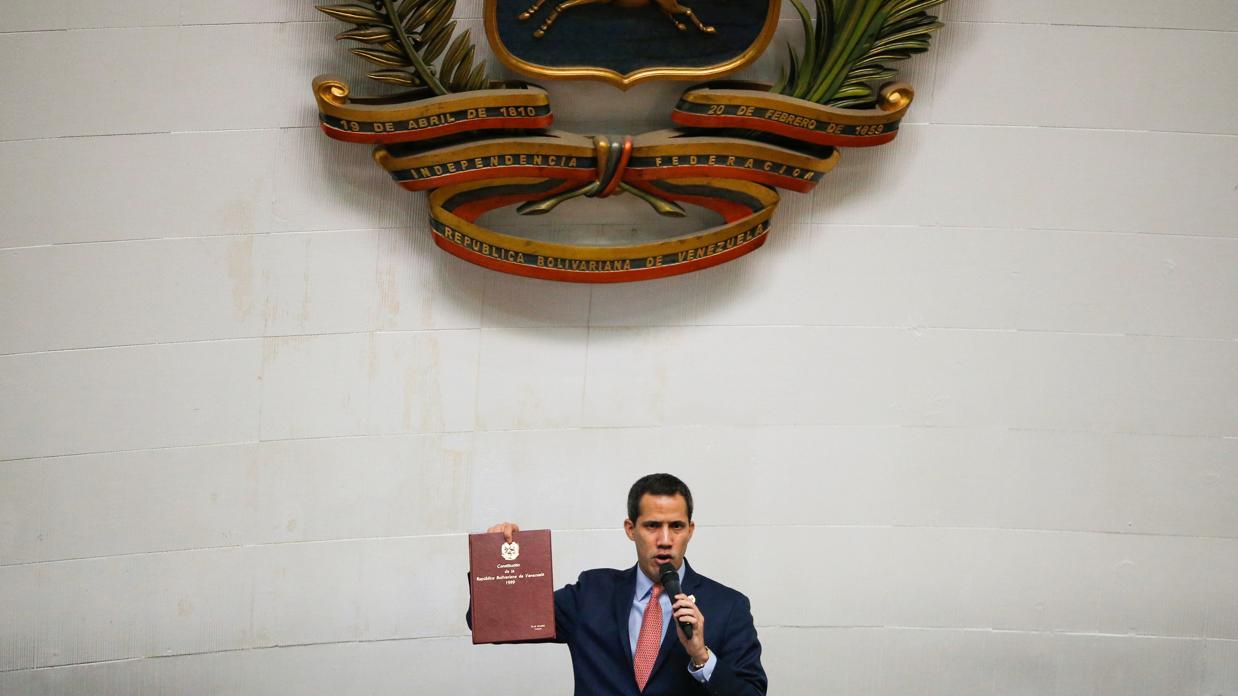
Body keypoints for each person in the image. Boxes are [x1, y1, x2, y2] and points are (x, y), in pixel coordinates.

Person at [471, 473, 767, 695]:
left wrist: (701, 656)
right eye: (652, 526)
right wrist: (499, 561)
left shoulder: (728, 607)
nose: (665, 540)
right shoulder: (591, 594)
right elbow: (491, 623)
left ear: (690, 530)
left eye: (676, 526)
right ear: (631, 529)